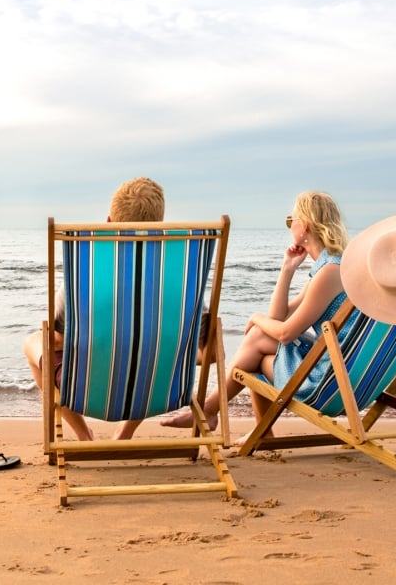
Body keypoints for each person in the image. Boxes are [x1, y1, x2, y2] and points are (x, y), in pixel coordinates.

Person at [161, 190, 351, 444]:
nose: (289, 226)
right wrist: (287, 269)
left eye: (290, 221)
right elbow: (278, 319)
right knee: (259, 340)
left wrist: (255, 317)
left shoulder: (329, 273)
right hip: (340, 368)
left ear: (303, 225)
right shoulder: (332, 267)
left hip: (329, 380)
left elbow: (285, 332)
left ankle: (211, 412)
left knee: (256, 352)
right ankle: (220, 415)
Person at [22, 177, 166, 441]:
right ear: (160, 226)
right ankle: (125, 432)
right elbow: (205, 351)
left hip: (85, 389)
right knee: (155, 353)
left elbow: (57, 338)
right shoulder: (175, 276)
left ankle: (83, 434)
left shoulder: (87, 273)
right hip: (154, 386)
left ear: (109, 222)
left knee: (34, 342)